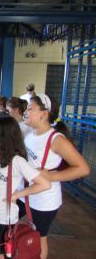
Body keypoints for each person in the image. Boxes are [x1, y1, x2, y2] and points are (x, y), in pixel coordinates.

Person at [19, 93, 90, 259]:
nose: (26, 112)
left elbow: (83, 168)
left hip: (44, 201)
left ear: (44, 114)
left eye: (30, 109)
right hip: (26, 195)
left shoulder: (56, 139)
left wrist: (51, 176)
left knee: (39, 237)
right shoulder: (30, 133)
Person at [0, 116, 51, 259]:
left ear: (4, 137)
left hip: (3, 219)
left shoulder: (16, 162)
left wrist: (16, 195)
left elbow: (44, 184)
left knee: (0, 255)